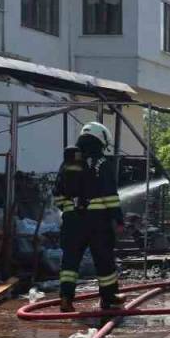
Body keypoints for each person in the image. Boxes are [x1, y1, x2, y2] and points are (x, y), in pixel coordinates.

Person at [52, 121, 123, 312]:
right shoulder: (101, 162)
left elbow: (57, 193)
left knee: (70, 261)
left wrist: (69, 209)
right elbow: (110, 195)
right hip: (97, 221)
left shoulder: (68, 163)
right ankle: (108, 299)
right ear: (101, 138)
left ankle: (66, 299)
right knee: (103, 258)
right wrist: (118, 218)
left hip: (72, 221)